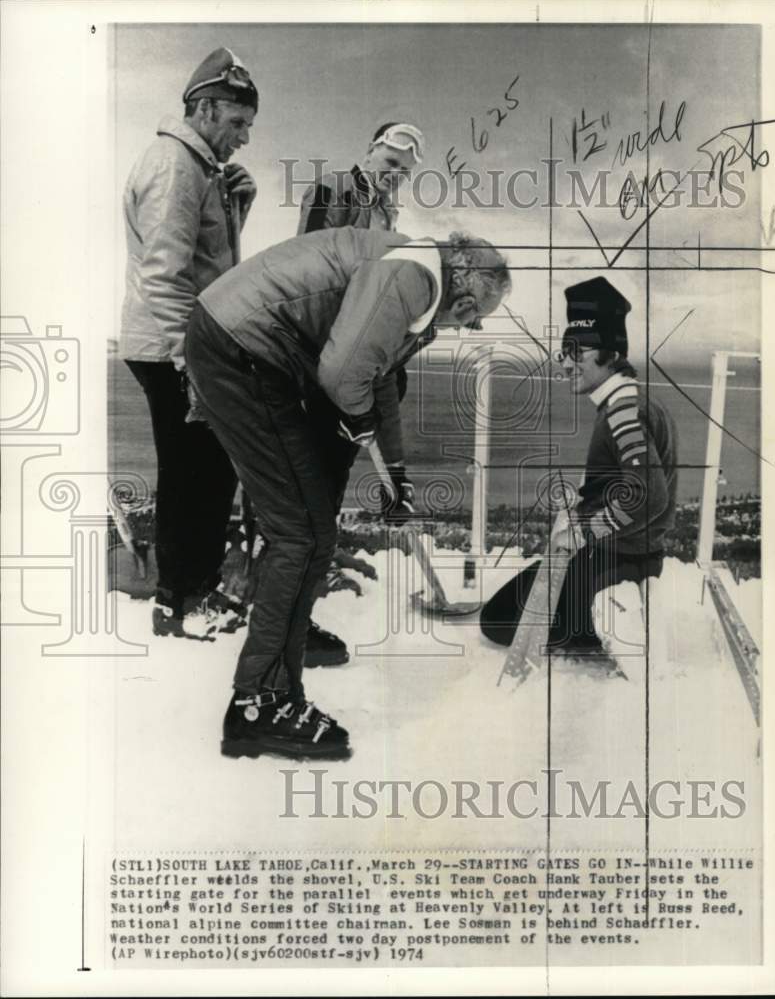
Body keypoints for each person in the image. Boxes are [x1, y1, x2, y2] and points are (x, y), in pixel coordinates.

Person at [185, 228, 511, 758]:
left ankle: (278, 670)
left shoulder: (416, 274)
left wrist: (396, 471)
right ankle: (258, 705)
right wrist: (355, 418)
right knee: (304, 534)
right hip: (243, 350)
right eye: (475, 317)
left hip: (246, 345)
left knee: (306, 531)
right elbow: (343, 375)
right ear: (466, 297)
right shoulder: (413, 278)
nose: (471, 326)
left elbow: (377, 375)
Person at [119, 47, 258, 638]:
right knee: (190, 472)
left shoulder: (197, 168)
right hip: (171, 346)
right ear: (203, 109)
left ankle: (193, 592)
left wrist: (238, 207)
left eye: (248, 127)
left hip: (183, 343)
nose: (244, 139)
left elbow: (203, 261)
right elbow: (164, 275)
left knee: (210, 467)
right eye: (236, 123)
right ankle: (178, 603)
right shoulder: (176, 166)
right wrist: (189, 362)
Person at [481, 276, 678, 660]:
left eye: (577, 351)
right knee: (507, 611)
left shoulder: (622, 410)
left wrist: (585, 530)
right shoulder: (627, 400)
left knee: (499, 621)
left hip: (616, 558)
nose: (566, 363)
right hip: (625, 552)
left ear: (609, 352)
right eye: (563, 351)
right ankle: (601, 614)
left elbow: (649, 496)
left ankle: (608, 622)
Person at [295, 122, 427, 667]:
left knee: (341, 457)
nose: (395, 174)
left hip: (357, 345)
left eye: (404, 169)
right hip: (324, 345)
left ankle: (317, 554)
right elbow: (311, 263)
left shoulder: (386, 210)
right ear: (369, 150)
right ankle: (298, 575)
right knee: (312, 466)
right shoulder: (332, 189)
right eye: (390, 161)